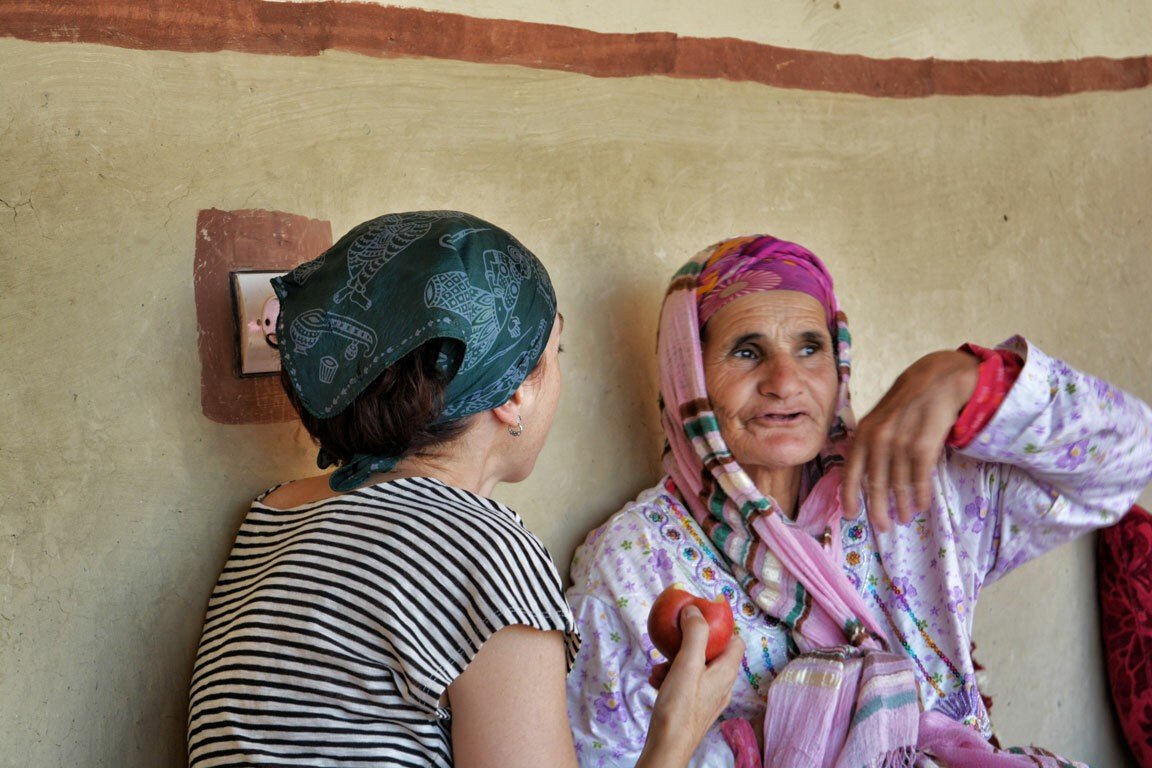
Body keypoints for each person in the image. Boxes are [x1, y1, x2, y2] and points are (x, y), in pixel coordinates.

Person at [565, 234, 1152, 767]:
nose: (785, 381)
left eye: (809, 347)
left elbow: (1127, 462)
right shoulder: (632, 560)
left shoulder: (909, 485)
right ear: (687, 373)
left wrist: (971, 380)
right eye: (747, 351)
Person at [186, 211, 744, 768]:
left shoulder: (274, 513)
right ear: (514, 392)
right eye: (556, 354)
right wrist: (678, 729)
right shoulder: (486, 550)